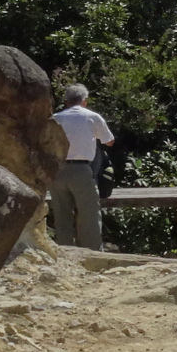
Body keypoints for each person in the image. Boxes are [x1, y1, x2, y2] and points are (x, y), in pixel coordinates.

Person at [49, 84, 115, 250]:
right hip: (81, 169)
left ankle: (64, 253)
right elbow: (109, 141)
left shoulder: (55, 118)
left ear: (66, 101)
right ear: (84, 101)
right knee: (89, 217)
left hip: (57, 171)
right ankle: (92, 253)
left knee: (62, 216)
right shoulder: (92, 117)